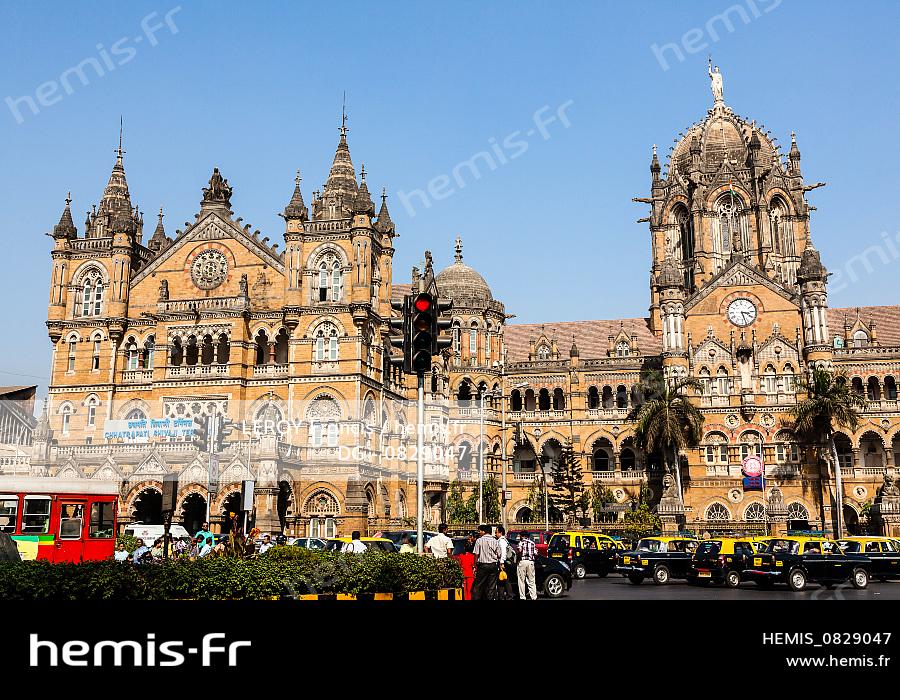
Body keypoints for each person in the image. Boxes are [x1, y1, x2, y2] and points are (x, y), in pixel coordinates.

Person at [472, 524, 501, 600]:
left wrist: (475, 566)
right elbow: (499, 554)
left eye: (480, 531)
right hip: (493, 565)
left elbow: (476, 554)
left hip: (483, 566)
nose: (479, 532)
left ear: (484, 531)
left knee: (478, 585)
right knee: (491, 586)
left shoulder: (479, 540)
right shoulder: (495, 541)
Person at [495, 525, 515, 599]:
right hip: (504, 562)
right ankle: (503, 596)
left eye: (496, 532)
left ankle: (508, 595)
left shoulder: (502, 541)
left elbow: (503, 552)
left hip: (503, 563)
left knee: (504, 580)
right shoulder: (504, 540)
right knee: (503, 579)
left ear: (500, 533)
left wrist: (501, 563)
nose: (495, 534)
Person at [516, 533, 538, 600]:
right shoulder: (532, 543)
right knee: (532, 581)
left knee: (521, 581)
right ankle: (534, 597)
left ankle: (523, 597)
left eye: (520, 536)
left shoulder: (521, 543)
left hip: (522, 562)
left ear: (522, 536)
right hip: (530, 562)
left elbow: (519, 551)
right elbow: (536, 553)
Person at [458, 533, 477, 600]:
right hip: (470, 575)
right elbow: (474, 565)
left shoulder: (461, 556)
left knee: (465, 590)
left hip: (463, 574)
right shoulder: (472, 556)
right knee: (470, 590)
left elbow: (459, 565)